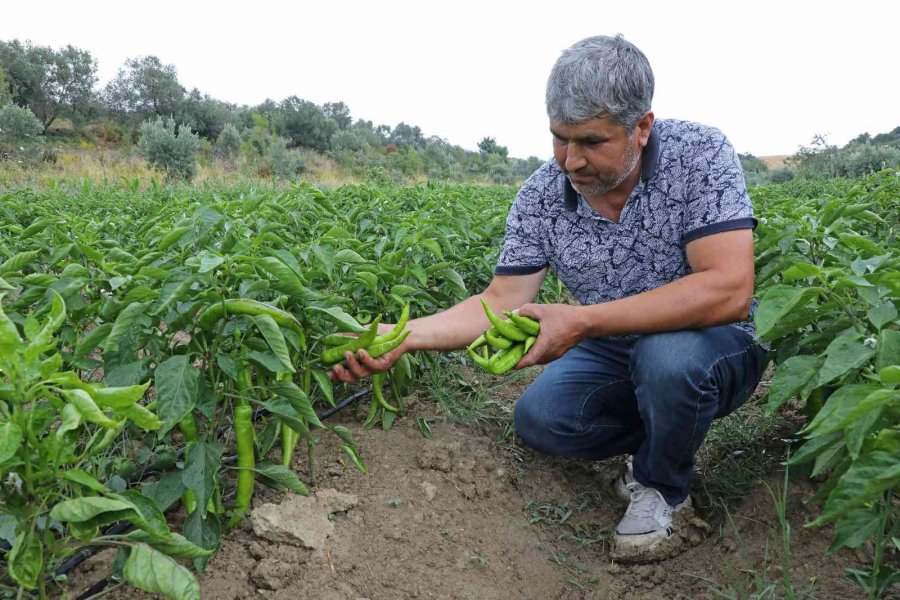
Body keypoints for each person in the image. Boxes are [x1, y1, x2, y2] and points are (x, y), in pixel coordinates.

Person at [328, 34, 768, 561]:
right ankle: (663, 435)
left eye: (591, 142)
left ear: (642, 128)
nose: (571, 160)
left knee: (667, 360)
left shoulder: (699, 155)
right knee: (543, 419)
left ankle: (663, 487)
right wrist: (404, 337)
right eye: (559, 139)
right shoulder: (541, 196)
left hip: (714, 341)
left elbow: (728, 289)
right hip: (614, 345)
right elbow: (503, 299)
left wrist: (582, 322)